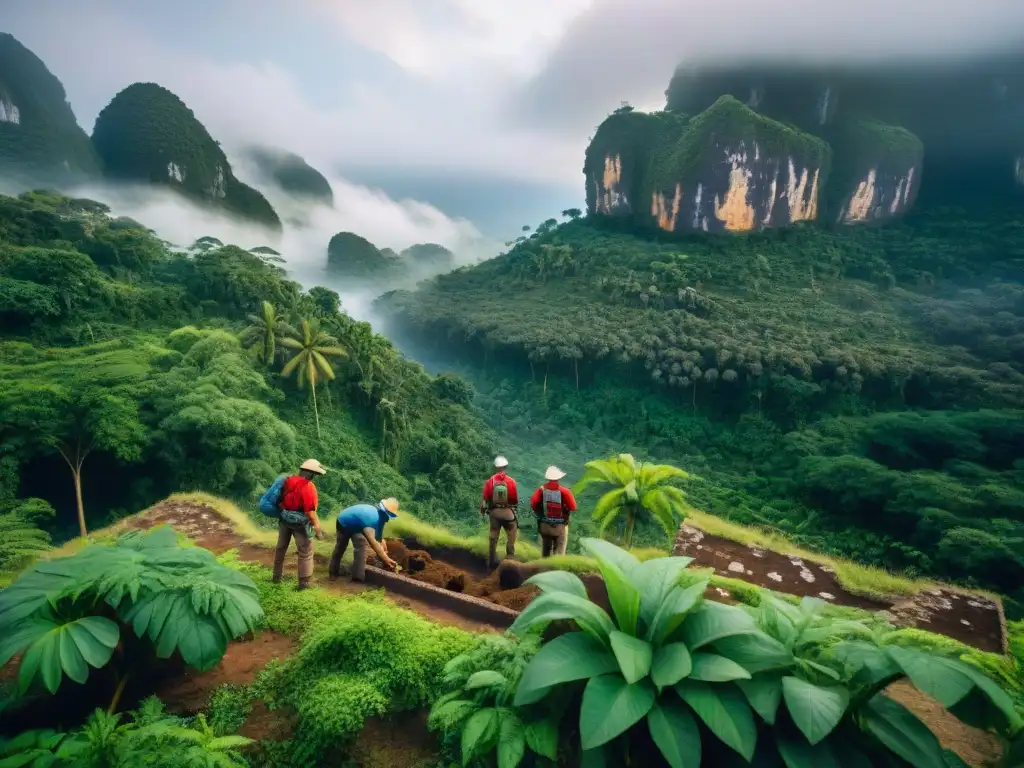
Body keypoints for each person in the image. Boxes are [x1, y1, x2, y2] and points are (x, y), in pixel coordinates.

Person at [272, 459, 327, 590]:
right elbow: (310, 512)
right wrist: (317, 528)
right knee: (306, 553)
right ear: (311, 473)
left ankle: (276, 577)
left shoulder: (288, 480)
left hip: (285, 518)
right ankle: (304, 584)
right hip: (300, 524)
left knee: (281, 547)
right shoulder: (308, 487)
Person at [328, 497, 401, 581]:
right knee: (340, 547)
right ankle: (333, 572)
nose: (388, 519)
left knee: (361, 547)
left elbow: (379, 538)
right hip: (344, 522)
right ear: (384, 512)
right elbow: (373, 542)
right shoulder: (371, 520)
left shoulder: (381, 518)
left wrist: (384, 552)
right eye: (388, 516)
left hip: (359, 524)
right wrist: (386, 558)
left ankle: (357, 577)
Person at [480, 455, 519, 568]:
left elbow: (484, 500)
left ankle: (491, 562)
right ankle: (510, 559)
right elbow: (514, 500)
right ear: (505, 467)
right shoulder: (511, 481)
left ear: (496, 467)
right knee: (512, 531)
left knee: (493, 535)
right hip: (508, 513)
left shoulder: (490, 481)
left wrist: (483, 511)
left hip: (495, 513)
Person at [531, 466, 577, 557]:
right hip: (560, 527)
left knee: (545, 551)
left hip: (544, 526)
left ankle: (544, 566)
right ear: (559, 478)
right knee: (560, 551)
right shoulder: (565, 491)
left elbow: (533, 504)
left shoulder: (541, 490)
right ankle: (557, 566)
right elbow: (573, 507)